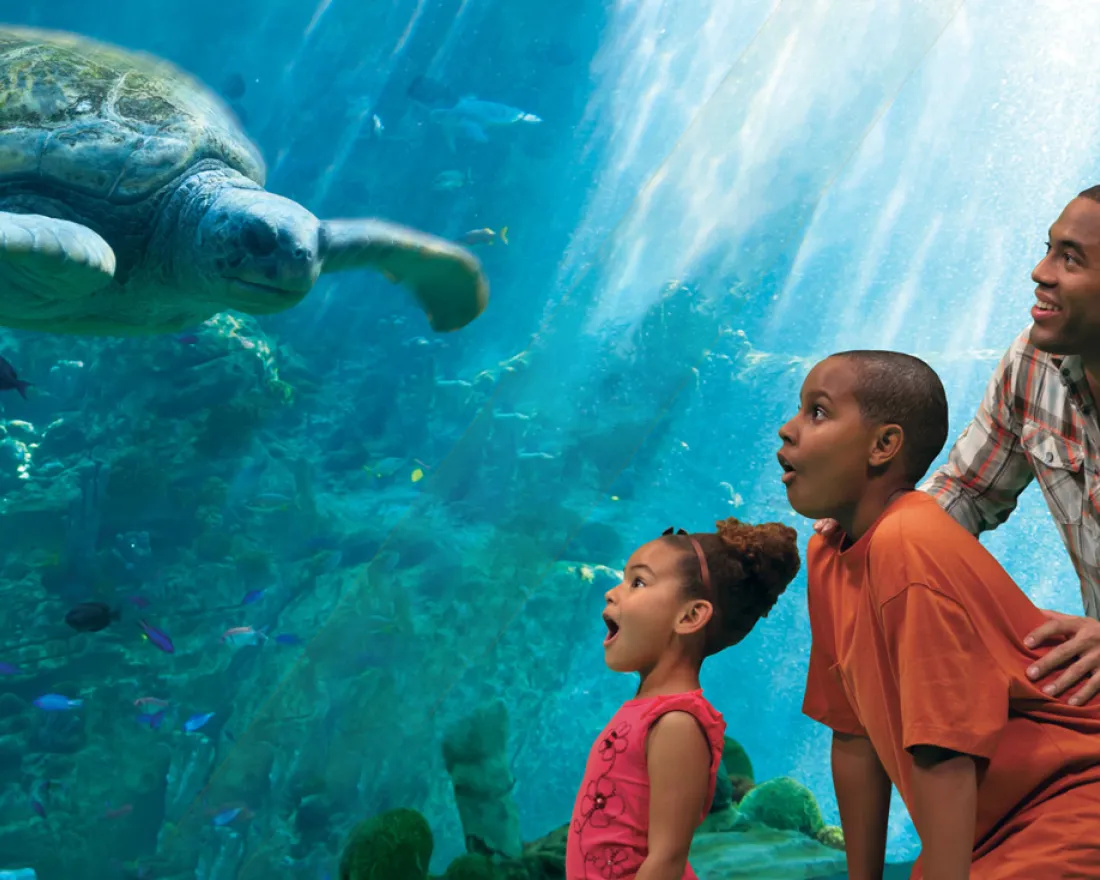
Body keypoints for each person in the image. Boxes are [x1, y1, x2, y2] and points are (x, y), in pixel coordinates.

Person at [781, 349, 1100, 879]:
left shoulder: (908, 543)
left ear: (884, 445)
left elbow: (946, 753)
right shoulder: (828, 555)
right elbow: (854, 734)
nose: (788, 430)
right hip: (984, 827)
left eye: (817, 412)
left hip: (1066, 806)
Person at [816, 186, 1100, 704]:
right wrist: (879, 528)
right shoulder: (1033, 364)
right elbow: (970, 490)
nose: (1041, 272)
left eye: (1071, 258)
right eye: (1048, 248)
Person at [566, 520, 800, 880]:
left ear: (690, 616)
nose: (612, 592)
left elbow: (666, 861)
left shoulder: (677, 724)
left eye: (638, 582)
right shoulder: (647, 712)